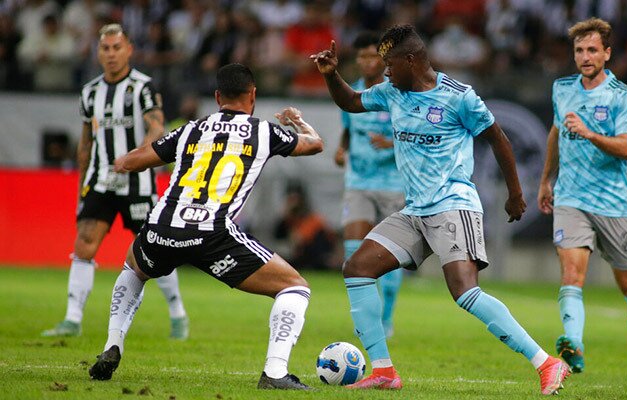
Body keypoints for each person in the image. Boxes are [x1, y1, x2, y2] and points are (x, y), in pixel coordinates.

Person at [311, 24, 570, 395]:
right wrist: (330, 74)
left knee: (464, 292)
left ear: (412, 60)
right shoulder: (392, 93)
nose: (384, 72)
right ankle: (384, 371)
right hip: (415, 211)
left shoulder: (459, 97)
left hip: (452, 205)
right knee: (357, 268)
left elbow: (498, 138)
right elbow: (351, 101)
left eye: (390, 64)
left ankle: (546, 362)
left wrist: (515, 193)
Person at [87, 63, 324, 390]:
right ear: (253, 95)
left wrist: (121, 159)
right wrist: (299, 122)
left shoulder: (190, 129)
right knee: (295, 287)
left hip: (163, 227)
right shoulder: (264, 131)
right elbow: (314, 143)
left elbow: (134, 161)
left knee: (133, 268)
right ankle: (275, 372)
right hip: (212, 234)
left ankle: (113, 343)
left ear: (216, 97)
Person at [41, 24, 189, 340]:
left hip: (138, 183)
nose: (110, 54)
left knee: (155, 250)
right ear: (98, 52)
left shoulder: (143, 87)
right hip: (100, 180)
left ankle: (178, 313)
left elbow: (157, 129)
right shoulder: (90, 91)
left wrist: (137, 157)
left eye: (116, 48)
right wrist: (83, 183)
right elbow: (85, 143)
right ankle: (72, 318)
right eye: (105, 48)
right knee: (84, 242)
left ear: (129, 50)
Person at [537, 17, 627, 373]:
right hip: (571, 198)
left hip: (613, 203)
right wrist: (546, 180)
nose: (585, 56)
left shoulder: (621, 96)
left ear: (607, 53)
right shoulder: (562, 88)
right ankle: (574, 343)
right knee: (572, 273)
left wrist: (589, 134)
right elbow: (556, 131)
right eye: (579, 50)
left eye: (592, 50)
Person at [334, 31, 405, 338]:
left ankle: (386, 316)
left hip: (393, 182)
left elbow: (416, 136)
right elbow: (348, 130)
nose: (366, 62)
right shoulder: (352, 94)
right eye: (361, 56)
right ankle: (364, 319)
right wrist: (342, 149)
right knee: (353, 249)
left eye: (372, 56)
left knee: (390, 254)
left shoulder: (398, 93)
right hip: (359, 181)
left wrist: (390, 144)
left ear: (384, 58)